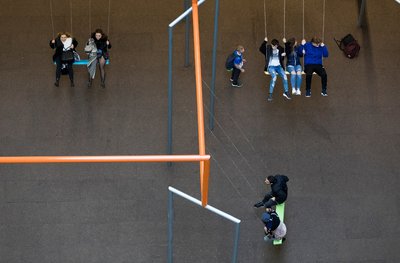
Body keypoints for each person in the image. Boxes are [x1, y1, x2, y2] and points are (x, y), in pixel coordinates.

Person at [259, 37, 290, 102]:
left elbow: (287, 51)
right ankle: (270, 94)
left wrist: (285, 43)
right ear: (271, 44)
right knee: (274, 77)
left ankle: (286, 92)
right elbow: (261, 49)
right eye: (273, 46)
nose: (274, 47)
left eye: (275, 46)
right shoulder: (268, 48)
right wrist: (264, 41)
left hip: (278, 66)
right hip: (271, 67)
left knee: (285, 76)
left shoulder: (280, 48)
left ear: (277, 45)